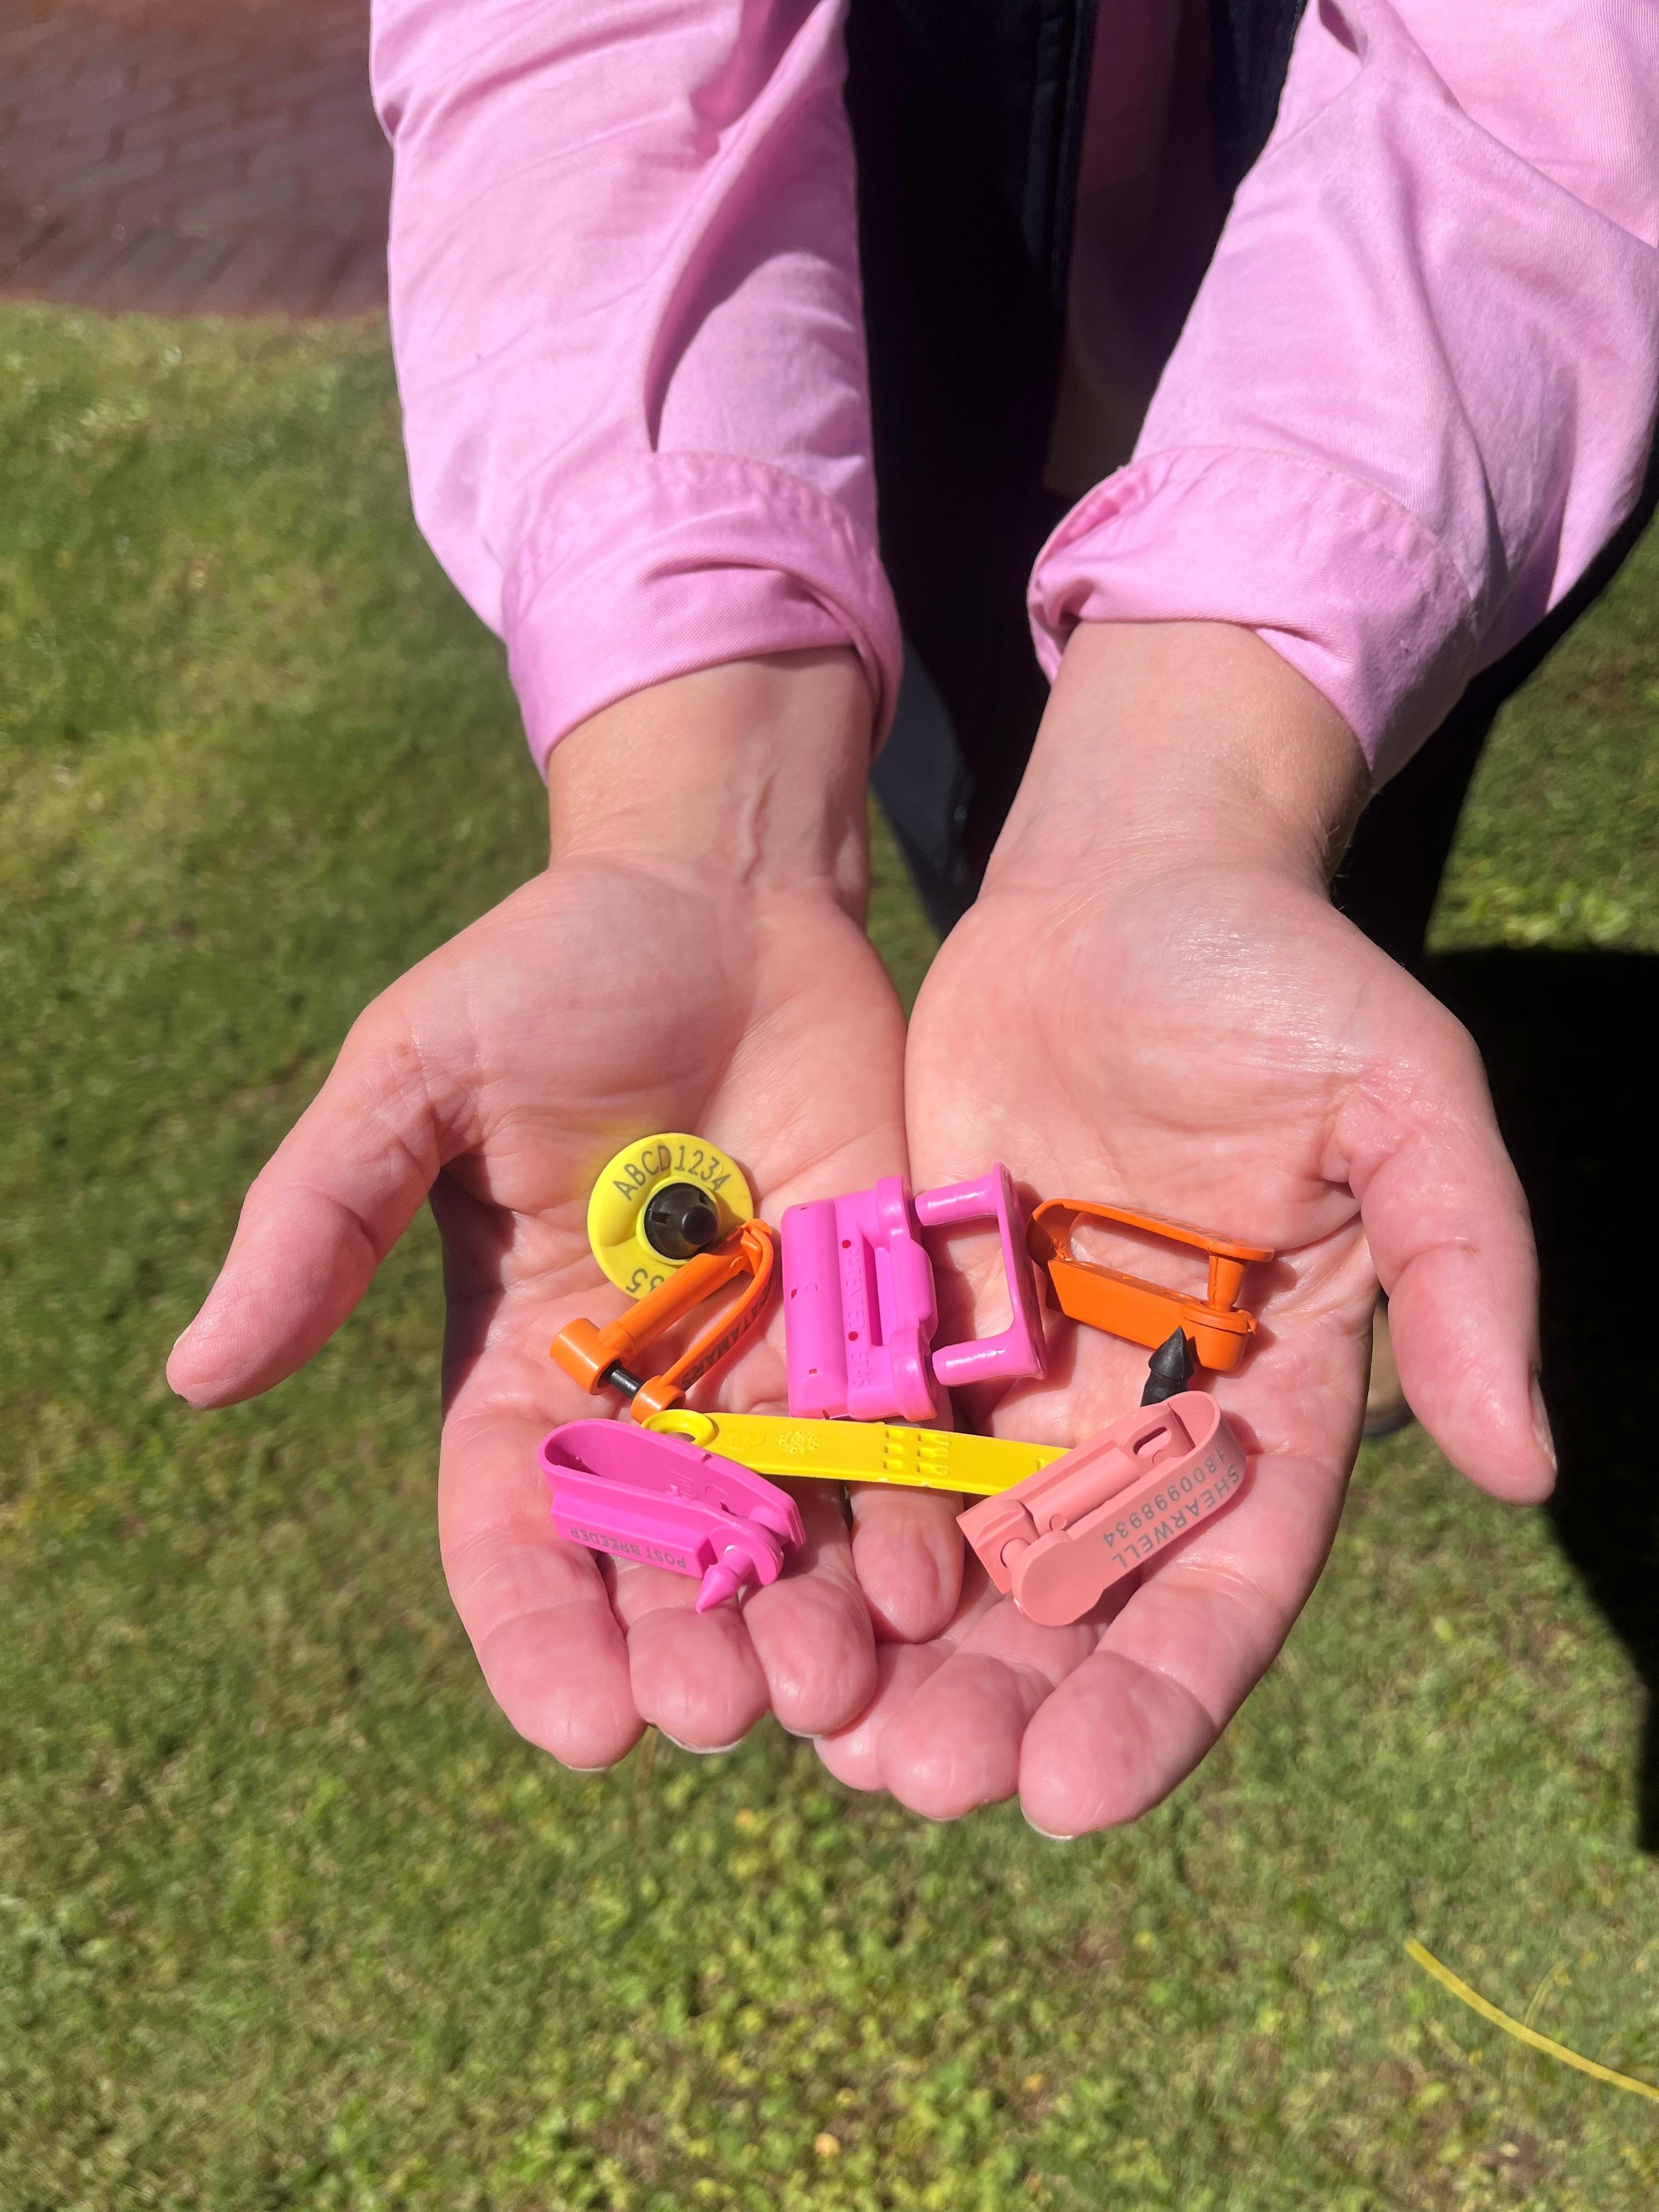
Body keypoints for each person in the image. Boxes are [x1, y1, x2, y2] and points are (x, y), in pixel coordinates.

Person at [167, 0, 1657, 1838]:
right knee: (970, 788)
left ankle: (1177, 898)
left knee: (1327, 829)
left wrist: (1212, 763)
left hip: (1437, 402)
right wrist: (692, 789)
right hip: (906, 309)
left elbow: (1564, 76)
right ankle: (1036, 913)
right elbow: (585, 44)